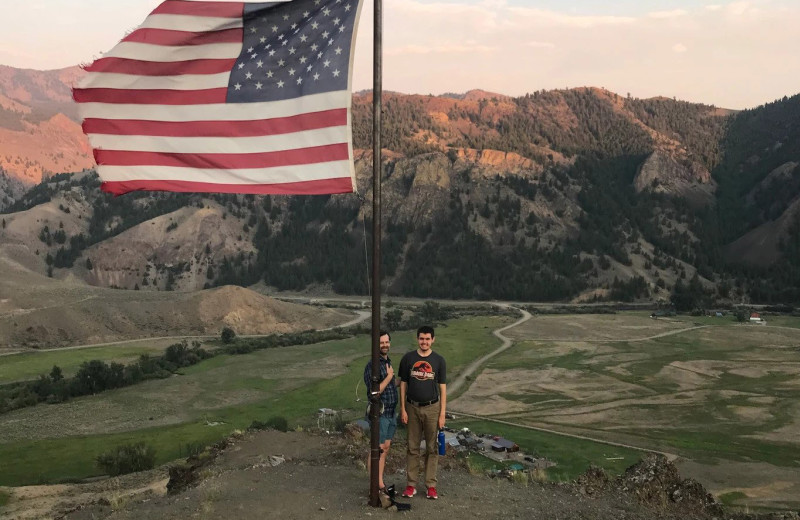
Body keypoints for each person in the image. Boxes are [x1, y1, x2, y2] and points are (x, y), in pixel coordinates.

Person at [399, 325, 447, 500]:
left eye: (427, 339)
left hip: (432, 407)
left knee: (432, 448)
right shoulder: (408, 358)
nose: (424, 342)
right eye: (421, 338)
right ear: (417, 339)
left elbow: (442, 388)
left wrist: (442, 413)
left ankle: (431, 486)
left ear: (433, 339)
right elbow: (403, 384)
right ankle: (411, 485)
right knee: (412, 447)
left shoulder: (439, 361)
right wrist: (402, 408)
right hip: (411, 407)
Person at [363, 330, 398, 492]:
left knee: (386, 447)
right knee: (378, 448)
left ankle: (380, 483)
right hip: (380, 413)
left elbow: (390, 386)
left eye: (386, 342)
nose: (385, 345)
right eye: (381, 343)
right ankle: (374, 485)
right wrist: (390, 377)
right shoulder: (373, 365)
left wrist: (400, 380)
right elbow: (374, 392)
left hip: (391, 413)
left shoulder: (386, 362)